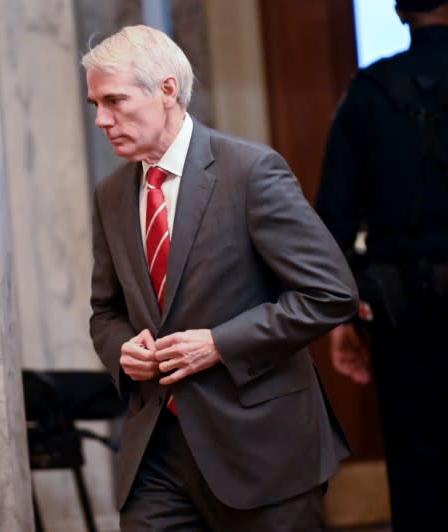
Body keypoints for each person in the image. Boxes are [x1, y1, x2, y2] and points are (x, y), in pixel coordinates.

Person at [83, 25, 358, 531]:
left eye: (115, 101)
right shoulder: (111, 195)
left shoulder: (251, 171)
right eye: (95, 104)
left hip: (261, 447)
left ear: (167, 90)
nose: (102, 120)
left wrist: (219, 343)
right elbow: (106, 311)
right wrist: (123, 349)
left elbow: (330, 293)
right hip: (156, 451)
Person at [316, 1, 448, 530]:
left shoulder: (366, 95)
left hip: (402, 321)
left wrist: (344, 317)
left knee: (420, 488)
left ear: (401, 13)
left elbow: (329, 222)